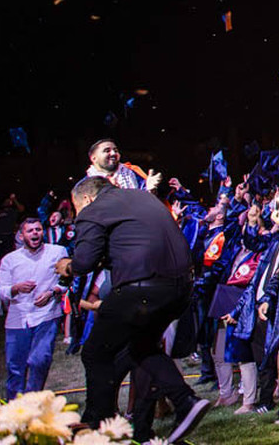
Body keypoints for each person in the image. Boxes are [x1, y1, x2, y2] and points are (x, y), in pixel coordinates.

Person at [58, 175, 210, 442]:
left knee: (95, 353)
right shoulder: (143, 198)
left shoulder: (95, 209)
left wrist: (67, 266)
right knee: (142, 346)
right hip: (181, 288)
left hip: (141, 288)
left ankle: (98, 424)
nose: (78, 213)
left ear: (87, 199)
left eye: (76, 207)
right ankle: (185, 400)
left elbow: (84, 262)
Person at [0, 217, 69, 398]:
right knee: (15, 367)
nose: (35, 233)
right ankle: (14, 411)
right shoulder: (10, 260)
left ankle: (32, 402)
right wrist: (16, 288)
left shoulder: (58, 252)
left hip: (47, 315)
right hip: (17, 319)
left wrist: (53, 292)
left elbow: (67, 280)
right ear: (21, 236)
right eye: (30, 231)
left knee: (39, 361)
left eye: (38, 229)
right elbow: (1, 290)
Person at [83, 139, 153, 191]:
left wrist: (150, 190)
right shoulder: (85, 184)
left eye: (116, 150)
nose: (113, 153)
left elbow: (146, 198)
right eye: (107, 151)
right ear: (94, 158)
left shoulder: (133, 173)